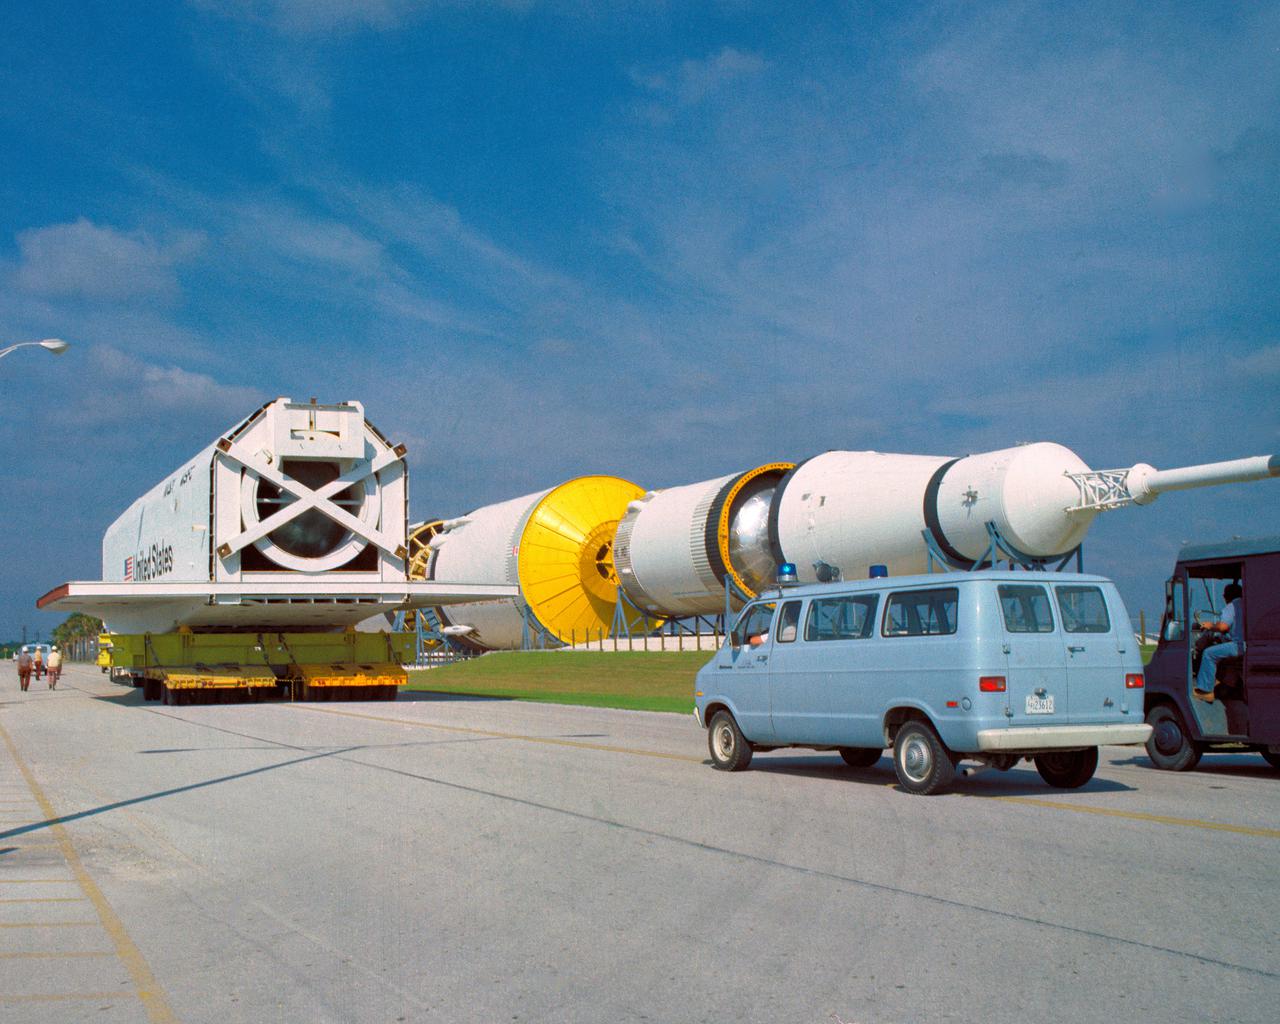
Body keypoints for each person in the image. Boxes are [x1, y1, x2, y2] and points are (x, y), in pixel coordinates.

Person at [1194, 582, 1244, 702]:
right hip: (1247, 646)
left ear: (1227, 596)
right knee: (1226, 657)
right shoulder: (1247, 604)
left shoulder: (1232, 606)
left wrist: (1210, 625)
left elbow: (1223, 627)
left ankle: (1205, 690)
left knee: (1209, 653)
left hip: (1237, 646)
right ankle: (1229, 686)